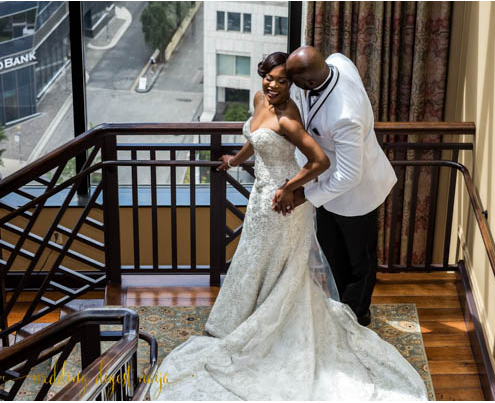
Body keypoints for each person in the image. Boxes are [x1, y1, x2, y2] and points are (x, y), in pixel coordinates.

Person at [149, 52, 427, 401]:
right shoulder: (300, 80)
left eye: (283, 81)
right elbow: (256, 136)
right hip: (264, 196)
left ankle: (352, 317)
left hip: (335, 191)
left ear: (299, 83)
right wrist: (234, 161)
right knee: (261, 258)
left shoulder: (327, 115)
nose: (274, 85)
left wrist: (293, 191)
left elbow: (335, 167)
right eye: (270, 77)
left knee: (352, 261)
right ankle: (248, 314)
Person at [278, 46, 398, 327]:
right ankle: (342, 305)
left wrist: (306, 195)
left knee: (360, 261)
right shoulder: (337, 61)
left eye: (294, 83)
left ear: (309, 82)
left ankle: (357, 316)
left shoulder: (345, 116)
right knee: (332, 252)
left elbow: (349, 175)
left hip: (358, 195)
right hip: (327, 189)